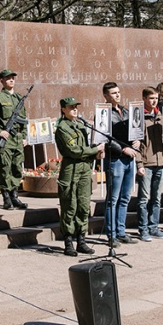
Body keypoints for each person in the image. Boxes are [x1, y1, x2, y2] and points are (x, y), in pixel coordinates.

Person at [54, 97, 104, 256]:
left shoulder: (81, 125)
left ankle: (81, 240)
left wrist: (94, 153)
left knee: (83, 205)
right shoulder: (62, 128)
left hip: (84, 170)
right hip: (71, 170)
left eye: (76, 107)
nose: (75, 109)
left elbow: (85, 147)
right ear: (63, 109)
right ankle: (68, 242)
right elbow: (73, 151)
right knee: (70, 206)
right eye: (71, 107)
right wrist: (94, 151)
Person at [102, 82, 141, 245]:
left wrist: (137, 140)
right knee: (113, 198)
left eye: (118, 92)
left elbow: (135, 130)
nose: (117, 95)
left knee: (125, 198)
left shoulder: (126, 111)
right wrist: (123, 149)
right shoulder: (104, 113)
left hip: (129, 160)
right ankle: (111, 234)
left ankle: (121, 231)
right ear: (105, 96)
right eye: (113, 93)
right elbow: (105, 138)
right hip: (116, 159)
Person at [0, 68, 28, 211]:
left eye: (13, 78)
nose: (11, 80)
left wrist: (24, 137)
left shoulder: (19, 98)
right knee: (5, 168)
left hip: (18, 139)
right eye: (8, 78)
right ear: (2, 80)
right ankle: (6, 198)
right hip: (6, 139)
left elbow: (24, 120)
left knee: (16, 167)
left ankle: (15, 196)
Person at [136, 88, 163, 241]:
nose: (154, 101)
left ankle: (154, 227)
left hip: (160, 162)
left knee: (156, 198)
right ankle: (143, 229)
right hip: (146, 163)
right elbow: (136, 144)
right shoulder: (139, 117)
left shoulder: (161, 116)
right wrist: (139, 163)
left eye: (156, 98)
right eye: (151, 98)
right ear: (144, 98)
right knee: (144, 198)